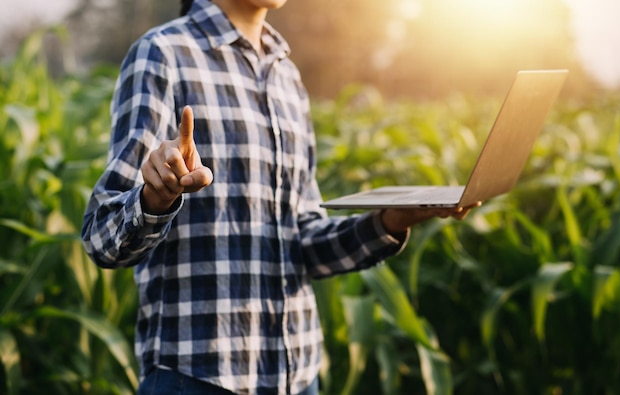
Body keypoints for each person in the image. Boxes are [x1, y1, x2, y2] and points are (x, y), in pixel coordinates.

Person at [81, 0, 478, 394]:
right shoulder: (162, 53)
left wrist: (391, 220)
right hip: (199, 376)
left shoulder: (285, 74)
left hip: (297, 375)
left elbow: (301, 244)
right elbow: (102, 238)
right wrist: (155, 197)